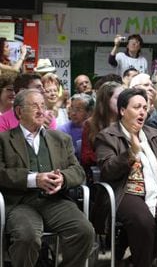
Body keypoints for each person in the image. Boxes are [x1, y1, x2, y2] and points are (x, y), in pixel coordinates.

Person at [0, 89, 94, 266]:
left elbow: (78, 171)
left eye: (42, 105)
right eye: (34, 106)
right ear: (19, 111)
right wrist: (33, 179)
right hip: (20, 202)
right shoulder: (4, 139)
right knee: (27, 237)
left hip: (55, 200)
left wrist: (63, 179)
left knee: (84, 231)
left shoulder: (60, 138)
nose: (41, 110)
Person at [94, 88, 157, 267]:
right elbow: (107, 170)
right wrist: (131, 153)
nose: (143, 111)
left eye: (145, 107)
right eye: (137, 107)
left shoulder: (154, 134)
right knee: (144, 222)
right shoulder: (107, 136)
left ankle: (134, 262)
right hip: (124, 191)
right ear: (122, 111)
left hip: (155, 189)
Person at [81, 81, 124, 184]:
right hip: (102, 175)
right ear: (106, 100)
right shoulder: (90, 124)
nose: (123, 102)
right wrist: (110, 158)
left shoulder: (127, 122)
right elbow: (85, 157)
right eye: (118, 98)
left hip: (125, 171)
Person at [58, 93, 94, 160]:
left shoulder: (96, 130)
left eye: (78, 109)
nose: (73, 113)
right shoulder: (62, 131)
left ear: (89, 112)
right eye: (71, 108)